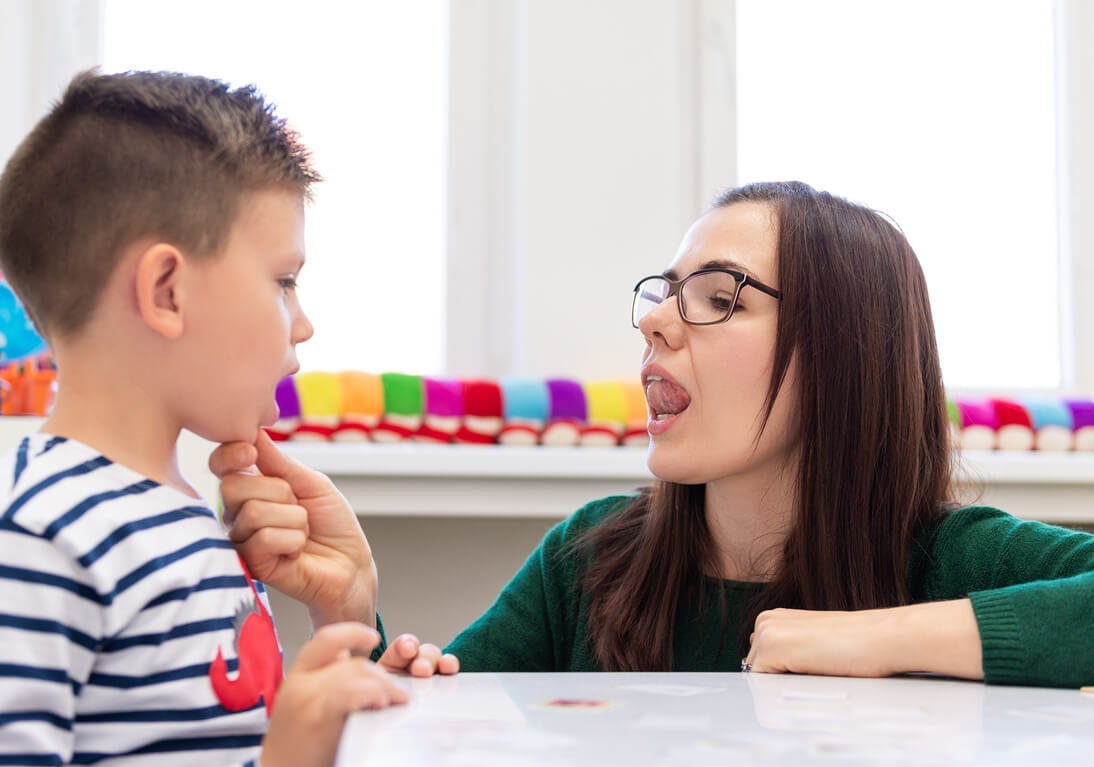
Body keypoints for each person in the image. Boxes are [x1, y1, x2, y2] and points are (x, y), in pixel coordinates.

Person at [215, 180, 1094, 688]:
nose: (656, 325)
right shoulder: (588, 558)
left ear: (844, 355)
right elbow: (429, 746)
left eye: (719, 298)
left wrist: (868, 640)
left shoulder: (945, 560)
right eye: (664, 293)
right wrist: (350, 607)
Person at [0, 70, 449, 767]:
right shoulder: (23, 538)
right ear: (166, 290)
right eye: (284, 281)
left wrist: (345, 705)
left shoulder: (185, 518)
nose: (304, 324)